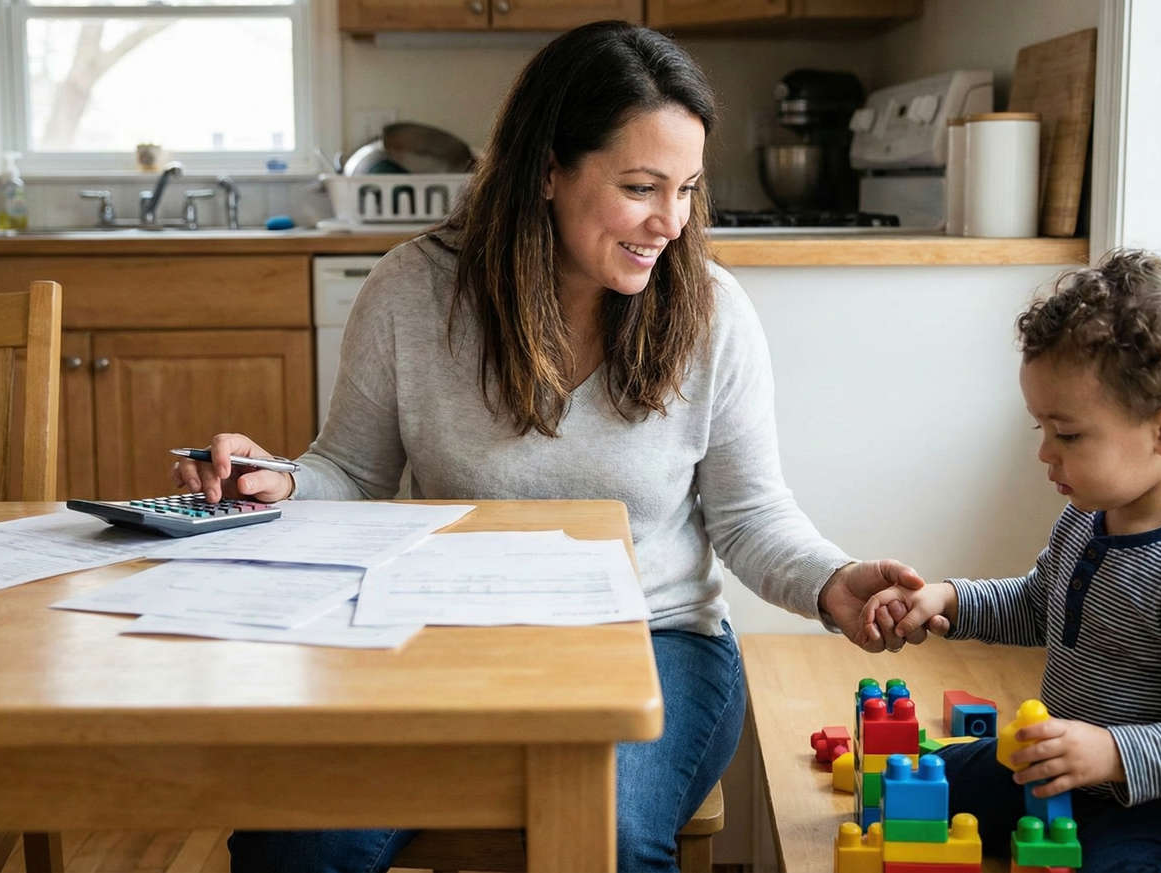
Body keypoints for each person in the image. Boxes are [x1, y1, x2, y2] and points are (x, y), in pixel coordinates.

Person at [172, 20, 929, 873]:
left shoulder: (711, 312)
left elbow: (750, 516)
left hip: (656, 642)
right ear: (546, 171)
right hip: (445, 638)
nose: (670, 222)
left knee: (608, 836)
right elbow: (350, 470)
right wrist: (277, 481)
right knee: (295, 839)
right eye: (640, 187)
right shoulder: (413, 292)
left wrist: (832, 582)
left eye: (686, 188)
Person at [857, 250, 1161, 873]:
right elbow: (1038, 606)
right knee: (921, 785)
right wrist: (948, 598)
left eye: (1069, 435)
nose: (1046, 454)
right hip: (1065, 774)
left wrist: (1112, 752)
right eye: (1041, 430)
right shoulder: (1087, 517)